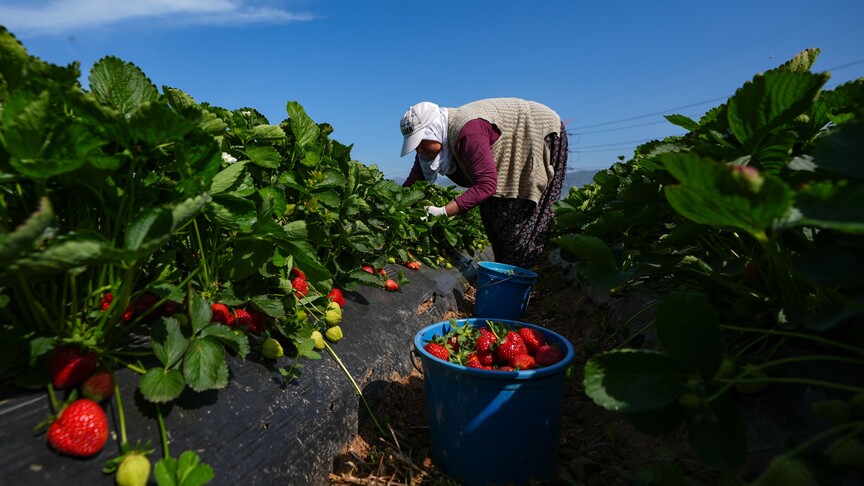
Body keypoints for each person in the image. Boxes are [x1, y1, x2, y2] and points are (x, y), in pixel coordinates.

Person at [399, 97, 568, 269]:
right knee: (493, 223)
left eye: (420, 142)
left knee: (516, 225)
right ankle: (504, 276)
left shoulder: (468, 132)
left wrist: (442, 212)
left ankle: (515, 279)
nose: (419, 149)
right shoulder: (433, 143)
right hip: (504, 150)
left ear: (432, 131)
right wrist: (397, 206)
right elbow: (413, 183)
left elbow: (486, 185)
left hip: (535, 132)